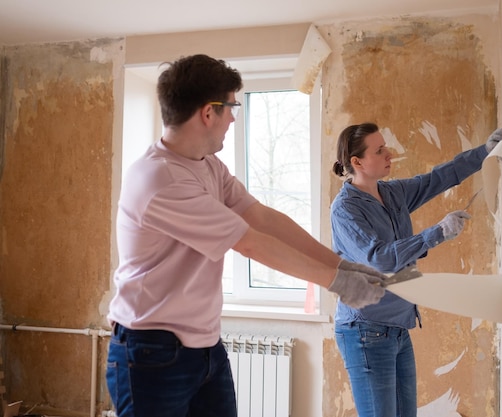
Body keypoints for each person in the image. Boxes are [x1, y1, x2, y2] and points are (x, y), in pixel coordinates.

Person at [105, 54, 389, 417]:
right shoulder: (160, 179)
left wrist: (342, 265)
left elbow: (262, 218)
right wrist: (337, 282)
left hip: (204, 346)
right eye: (231, 107)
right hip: (151, 351)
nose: (234, 117)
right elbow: (250, 242)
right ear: (209, 112)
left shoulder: (208, 166)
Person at [330, 122, 502, 417]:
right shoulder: (345, 209)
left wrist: (484, 152)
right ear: (357, 162)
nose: (390, 153)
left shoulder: (393, 193)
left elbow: (437, 179)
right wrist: (436, 233)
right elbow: (379, 257)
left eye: (386, 146)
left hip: (398, 329)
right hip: (365, 331)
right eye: (380, 150)